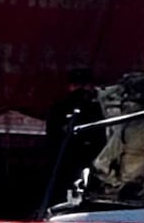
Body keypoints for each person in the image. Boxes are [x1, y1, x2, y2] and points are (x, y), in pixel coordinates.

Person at [44, 68, 106, 205]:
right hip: (66, 158)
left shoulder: (96, 108)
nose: (81, 90)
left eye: (84, 85)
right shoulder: (60, 107)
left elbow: (102, 135)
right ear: (70, 86)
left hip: (91, 158)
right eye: (77, 85)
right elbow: (52, 135)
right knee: (59, 190)